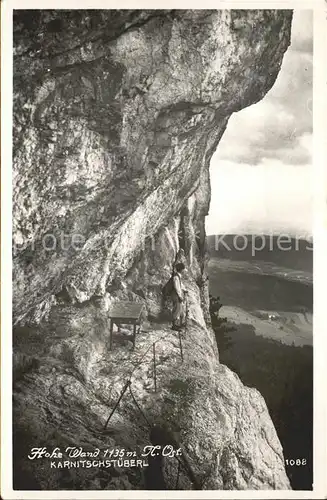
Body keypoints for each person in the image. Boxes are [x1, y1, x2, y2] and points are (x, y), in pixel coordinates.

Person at [171, 262, 187, 331]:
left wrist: (184, 289)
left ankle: (179, 324)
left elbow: (180, 285)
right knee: (177, 309)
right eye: (183, 269)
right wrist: (180, 296)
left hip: (177, 295)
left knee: (179, 309)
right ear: (181, 270)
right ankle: (174, 325)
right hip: (176, 295)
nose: (184, 271)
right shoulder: (176, 277)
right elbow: (177, 287)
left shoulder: (178, 276)